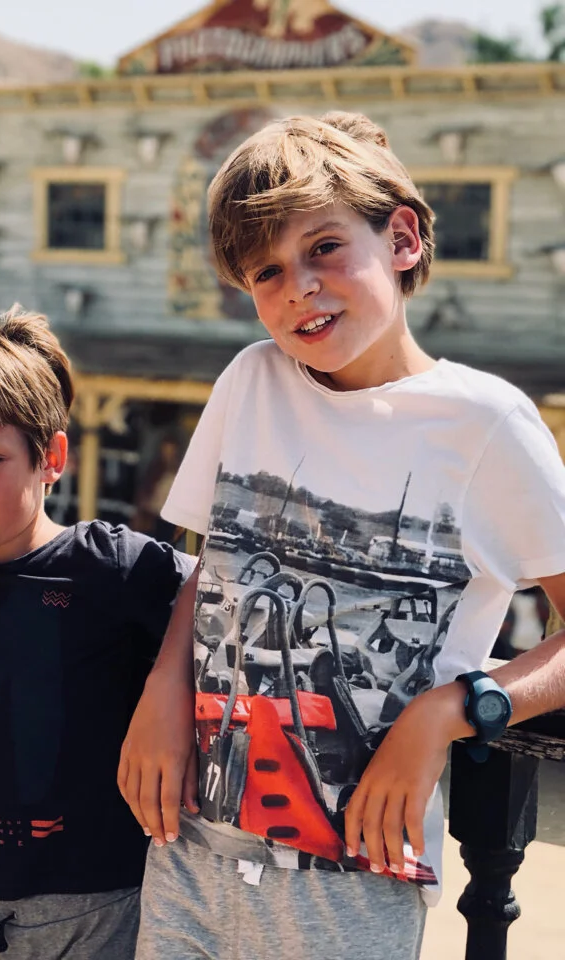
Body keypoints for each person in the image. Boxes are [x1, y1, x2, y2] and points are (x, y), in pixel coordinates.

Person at [121, 111, 565, 959]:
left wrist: (451, 711)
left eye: (324, 248)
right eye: (267, 271)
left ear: (401, 238)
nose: (299, 288)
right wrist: (163, 685)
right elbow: (217, 563)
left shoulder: (489, 424)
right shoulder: (249, 380)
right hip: (189, 851)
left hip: (353, 880)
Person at [0, 307, 194, 960]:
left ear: (51, 458)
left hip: (99, 905)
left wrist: (168, 685)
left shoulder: (108, 565)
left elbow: (212, 591)